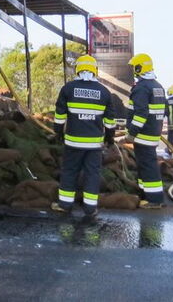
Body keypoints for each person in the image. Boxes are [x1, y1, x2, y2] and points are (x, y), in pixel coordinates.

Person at [51, 54, 117, 220]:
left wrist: (57, 132)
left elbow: (60, 115)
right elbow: (110, 121)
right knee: (92, 174)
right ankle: (90, 208)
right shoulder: (104, 92)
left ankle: (65, 205)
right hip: (94, 145)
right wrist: (110, 138)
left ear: (77, 69)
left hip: (73, 142)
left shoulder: (68, 88)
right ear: (95, 71)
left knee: (69, 171)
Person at [125, 53, 167, 209]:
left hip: (143, 134)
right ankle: (144, 194)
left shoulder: (142, 88)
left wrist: (132, 132)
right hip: (152, 132)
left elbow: (141, 113)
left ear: (139, 68)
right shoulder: (157, 86)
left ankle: (154, 199)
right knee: (144, 165)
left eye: (134, 67)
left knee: (148, 165)